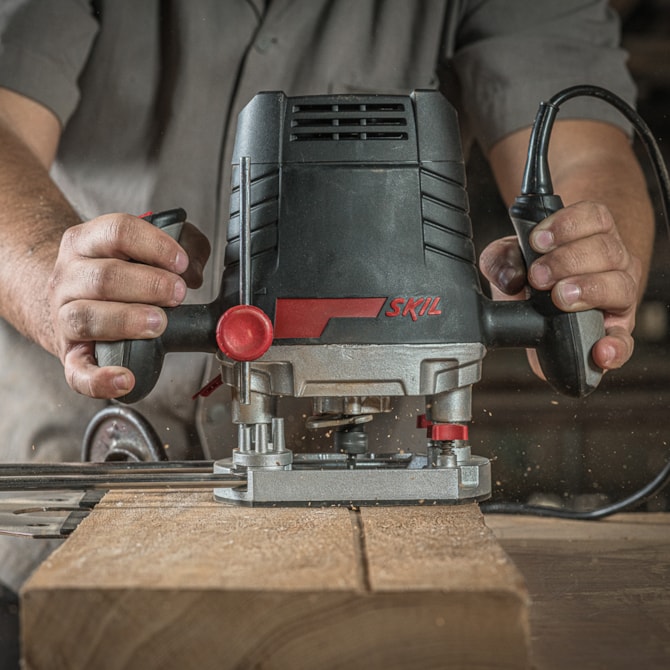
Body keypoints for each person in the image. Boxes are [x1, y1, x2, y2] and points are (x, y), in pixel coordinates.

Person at [0, 0, 655, 649]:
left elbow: (583, 154)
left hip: (389, 527)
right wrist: (53, 281)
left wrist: (579, 268)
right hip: (71, 474)